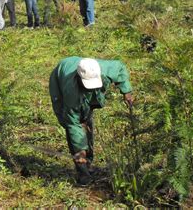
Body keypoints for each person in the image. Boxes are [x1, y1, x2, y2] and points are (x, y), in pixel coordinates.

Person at [49, 56, 134, 186]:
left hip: (82, 81)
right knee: (71, 124)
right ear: (79, 79)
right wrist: (79, 150)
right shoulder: (70, 92)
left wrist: (126, 91)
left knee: (87, 119)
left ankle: (88, 162)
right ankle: (82, 169)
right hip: (59, 81)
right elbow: (73, 124)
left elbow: (120, 68)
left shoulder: (103, 69)